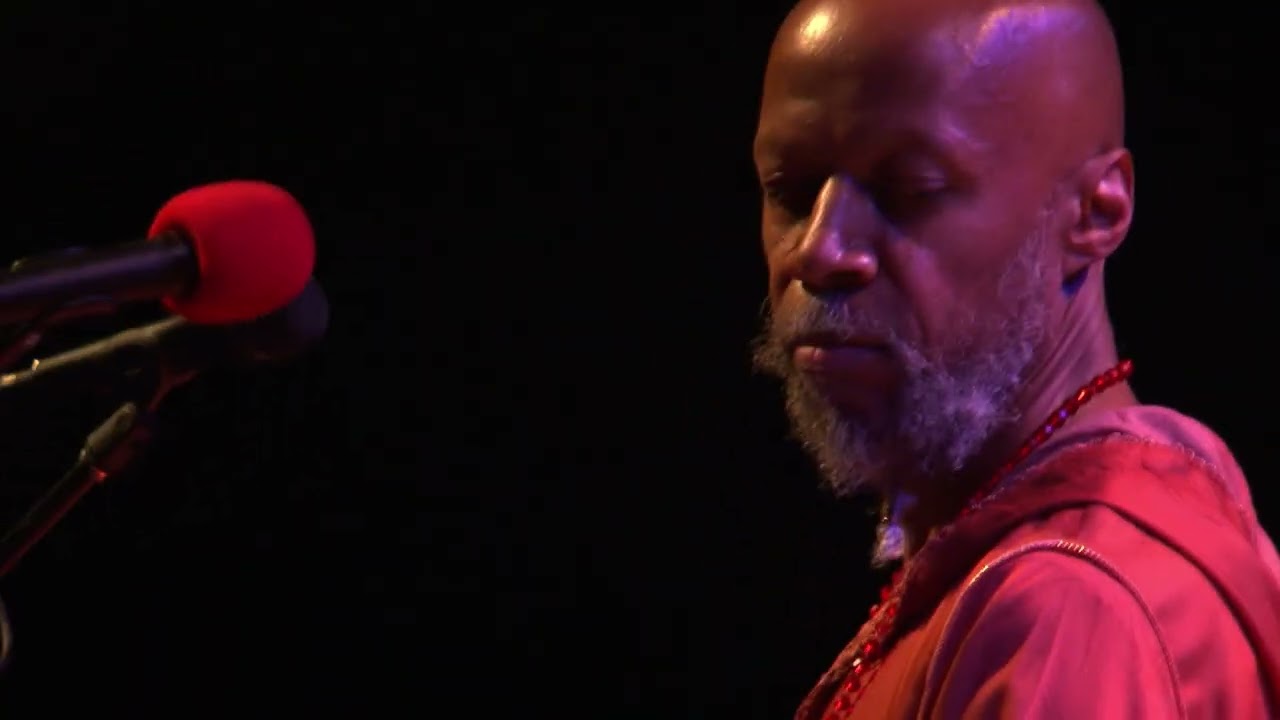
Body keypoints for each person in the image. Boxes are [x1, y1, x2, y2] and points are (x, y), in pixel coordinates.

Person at [749, 0, 1280, 716]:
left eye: (911, 190)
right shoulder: (1025, 537)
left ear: (1097, 212)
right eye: (789, 192)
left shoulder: (1066, 611)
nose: (819, 250)